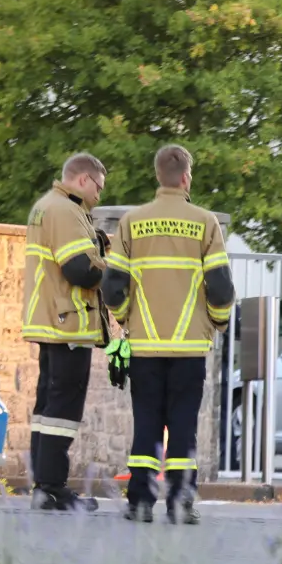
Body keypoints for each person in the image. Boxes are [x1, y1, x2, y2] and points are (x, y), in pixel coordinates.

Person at [102, 145, 235, 524]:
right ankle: (180, 503)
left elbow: (112, 285)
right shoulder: (205, 222)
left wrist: (127, 318)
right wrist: (217, 322)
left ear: (158, 176)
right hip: (190, 348)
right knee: (183, 429)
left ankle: (140, 503)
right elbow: (221, 287)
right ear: (186, 177)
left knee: (145, 424)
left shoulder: (131, 222)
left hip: (144, 346)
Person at [23, 152, 111, 512]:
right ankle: (54, 489)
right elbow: (80, 271)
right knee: (63, 407)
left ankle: (43, 485)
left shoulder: (46, 206)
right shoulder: (66, 210)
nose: (99, 197)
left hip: (50, 321)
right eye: (99, 188)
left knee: (47, 405)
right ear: (83, 179)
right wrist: (111, 264)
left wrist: (96, 245)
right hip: (69, 322)